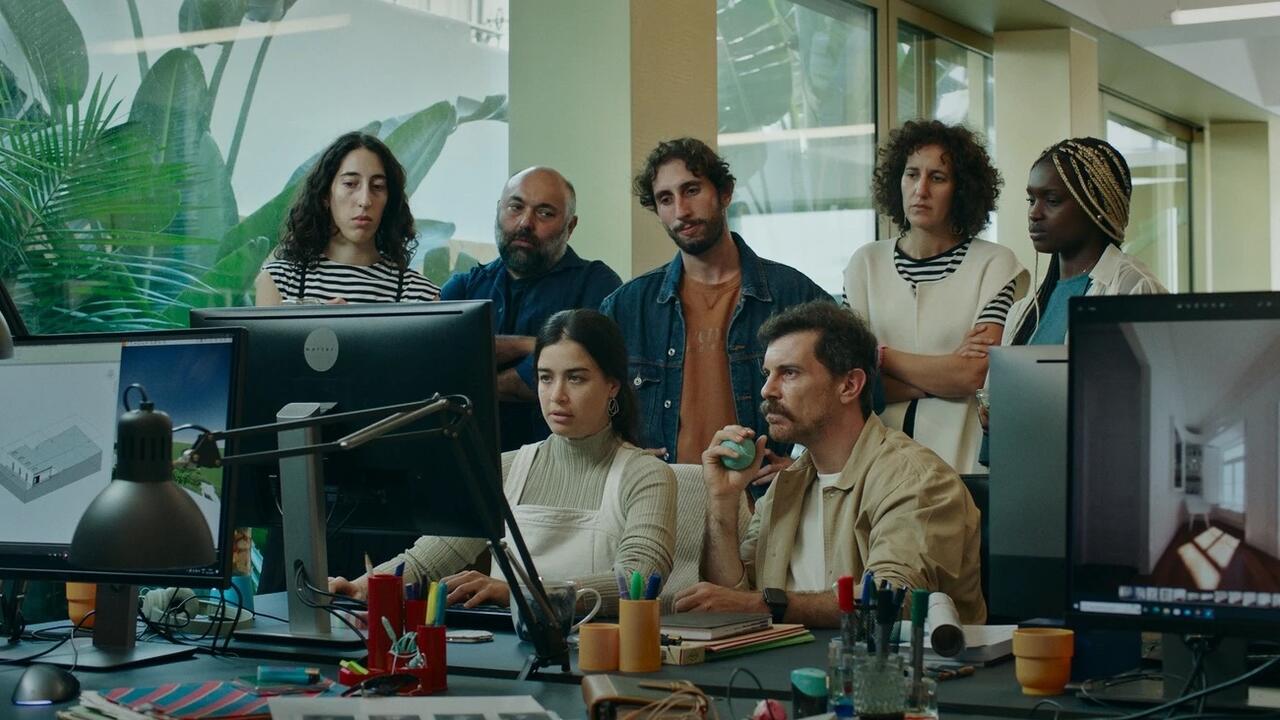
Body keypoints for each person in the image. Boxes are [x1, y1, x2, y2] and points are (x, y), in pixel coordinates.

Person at [330, 310, 676, 618]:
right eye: (545, 377)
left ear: (612, 386)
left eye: (576, 378)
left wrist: (520, 593)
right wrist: (363, 587)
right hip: (507, 650)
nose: (557, 395)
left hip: (601, 654)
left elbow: (638, 579)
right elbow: (429, 559)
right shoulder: (504, 468)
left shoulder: (646, 474)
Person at [673, 301, 986, 626]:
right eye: (768, 374)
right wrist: (722, 500)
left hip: (886, 660)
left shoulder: (915, 479)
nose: (767, 390)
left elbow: (893, 599)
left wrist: (762, 605)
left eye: (789, 373)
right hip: (786, 656)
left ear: (849, 385)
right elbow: (732, 602)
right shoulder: (786, 484)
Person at [600, 137, 831, 477]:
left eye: (691, 190)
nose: (681, 211)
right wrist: (615, 455)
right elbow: (588, 398)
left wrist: (805, 464)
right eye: (666, 199)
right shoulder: (627, 306)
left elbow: (857, 392)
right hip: (662, 493)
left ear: (724, 193)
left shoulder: (792, 294)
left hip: (760, 497)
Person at [843, 120, 1027, 474]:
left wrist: (879, 355)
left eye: (937, 178)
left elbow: (973, 376)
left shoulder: (995, 264)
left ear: (961, 189)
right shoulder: (864, 264)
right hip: (877, 466)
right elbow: (851, 380)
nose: (921, 189)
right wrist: (942, 376)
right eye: (912, 174)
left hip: (961, 463)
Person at [968, 137, 1166, 450]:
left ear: (1095, 205)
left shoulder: (1132, 289)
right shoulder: (1024, 310)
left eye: (1052, 200)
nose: (1035, 213)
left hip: (1100, 471)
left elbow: (1143, 406)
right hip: (1031, 470)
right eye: (1031, 200)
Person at [441, 167, 622, 450]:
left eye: (545, 213)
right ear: (498, 211)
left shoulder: (596, 284)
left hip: (563, 463)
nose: (526, 222)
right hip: (468, 460)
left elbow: (539, 384)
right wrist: (533, 345)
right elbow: (438, 371)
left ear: (570, 226)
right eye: (516, 207)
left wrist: (470, 379)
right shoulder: (462, 288)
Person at [255, 131, 440, 305]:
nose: (365, 200)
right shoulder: (280, 281)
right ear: (325, 194)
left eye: (377, 186)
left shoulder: (420, 294)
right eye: (350, 184)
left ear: (389, 200)